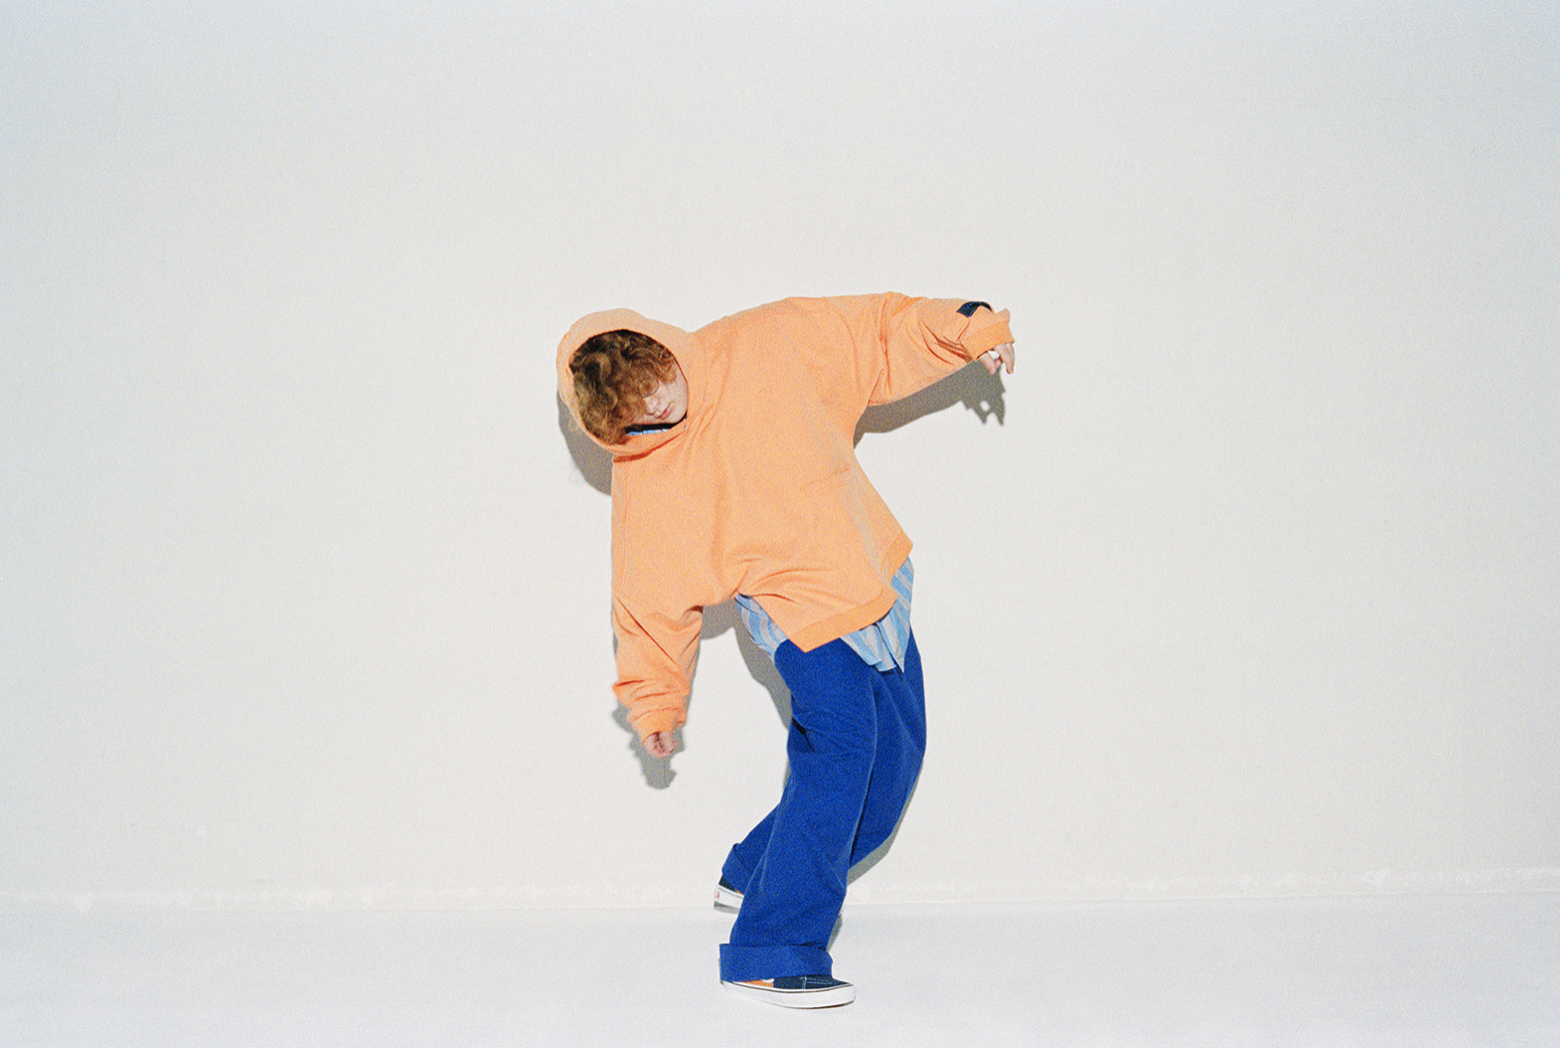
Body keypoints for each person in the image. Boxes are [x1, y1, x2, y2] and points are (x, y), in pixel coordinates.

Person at [556, 294, 1015, 1008]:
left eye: (665, 391)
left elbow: (873, 334)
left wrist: (965, 330)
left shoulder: (763, 345)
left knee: (892, 768)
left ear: (665, 348)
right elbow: (647, 599)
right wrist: (656, 700)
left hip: (868, 575)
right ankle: (770, 949)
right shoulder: (648, 478)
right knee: (842, 752)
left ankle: (756, 871)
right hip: (793, 615)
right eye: (644, 423)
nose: (665, 417)